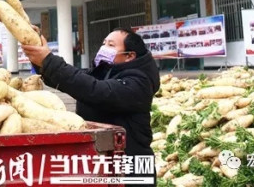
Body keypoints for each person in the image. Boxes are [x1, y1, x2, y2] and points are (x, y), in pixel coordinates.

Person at [22, 28, 160, 185]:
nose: (104, 47)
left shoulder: (139, 83)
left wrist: (48, 60)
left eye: (111, 45)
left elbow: (94, 90)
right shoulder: (104, 71)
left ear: (129, 56)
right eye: (104, 43)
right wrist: (38, 55)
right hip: (106, 163)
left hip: (133, 170)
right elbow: (73, 79)